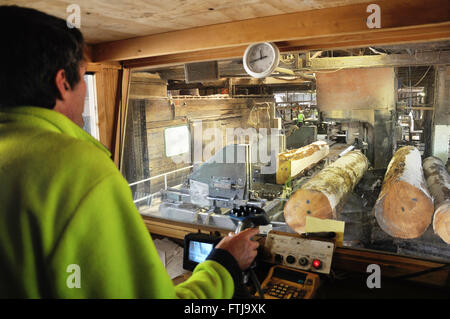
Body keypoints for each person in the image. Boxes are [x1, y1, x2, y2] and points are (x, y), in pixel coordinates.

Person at [0, 5, 259, 298]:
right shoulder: (75, 169)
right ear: (62, 83)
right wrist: (223, 264)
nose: (85, 94)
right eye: (84, 77)